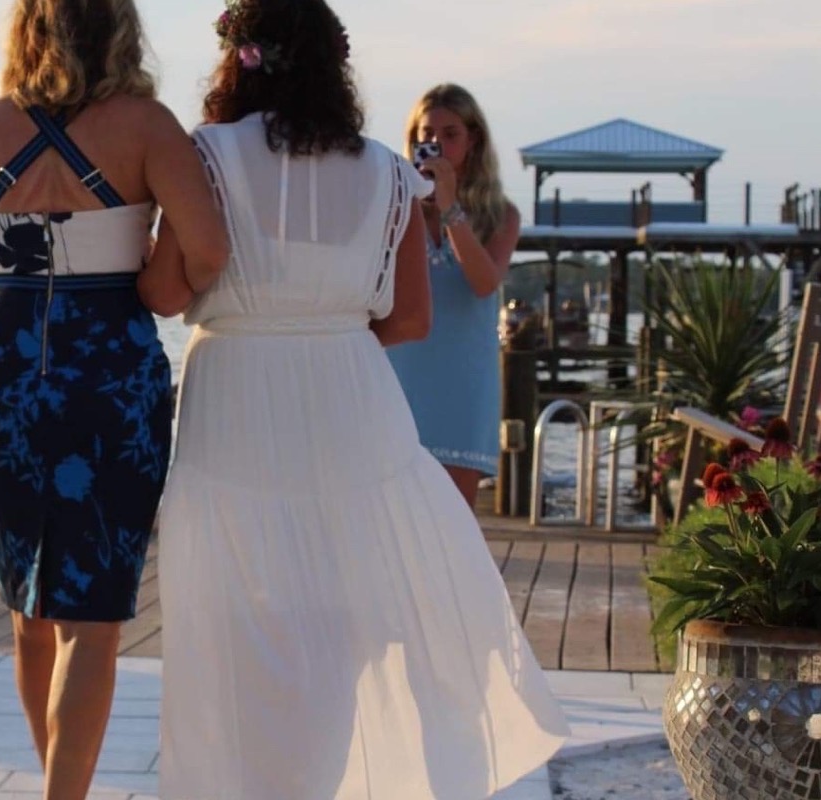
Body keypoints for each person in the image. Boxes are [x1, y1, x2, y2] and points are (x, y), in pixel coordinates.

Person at [143, 2, 569, 798]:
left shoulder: (207, 155)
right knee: (342, 608)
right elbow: (410, 319)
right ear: (333, 68)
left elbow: (166, 292)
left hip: (236, 389)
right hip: (349, 391)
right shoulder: (388, 173)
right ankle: (327, 775)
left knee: (236, 606)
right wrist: (325, 331)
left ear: (240, 61)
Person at [0, 1, 228, 798]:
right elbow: (206, 252)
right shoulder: (148, 127)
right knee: (92, 622)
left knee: (30, 614)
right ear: (118, 30)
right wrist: (152, 277)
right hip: (108, 381)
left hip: (3, 378)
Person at [386, 83, 521, 510]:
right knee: (395, 518)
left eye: (450, 134)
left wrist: (450, 208)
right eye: (426, 134)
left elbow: (484, 283)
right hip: (400, 376)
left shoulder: (501, 215)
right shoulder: (395, 207)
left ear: (472, 139)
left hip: (462, 382)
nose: (436, 144)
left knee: (454, 522)